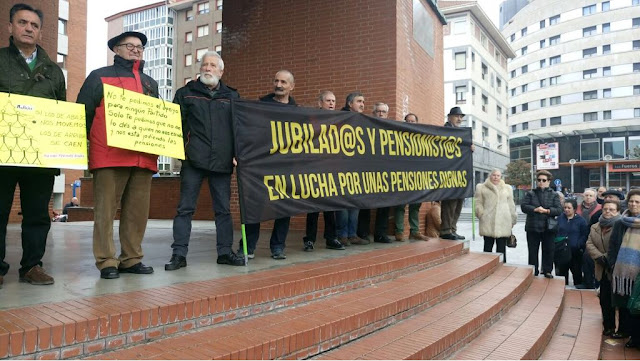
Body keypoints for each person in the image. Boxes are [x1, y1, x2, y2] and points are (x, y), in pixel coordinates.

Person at [77, 31, 158, 279]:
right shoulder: (99, 76)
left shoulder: (150, 83)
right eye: (129, 45)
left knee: (137, 212)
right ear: (116, 49)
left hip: (143, 156)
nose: (135, 49)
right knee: (105, 210)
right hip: (109, 155)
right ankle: (106, 261)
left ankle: (131, 258)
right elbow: (83, 114)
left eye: (140, 46)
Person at [0, 3, 66, 287]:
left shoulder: (54, 71)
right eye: (22, 22)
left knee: (38, 213)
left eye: (34, 25)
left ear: (40, 32)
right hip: (3, 151)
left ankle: (32, 266)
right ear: (10, 27)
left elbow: (61, 112)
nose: (28, 28)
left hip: (40, 154)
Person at [165, 52, 244, 271]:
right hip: (193, 161)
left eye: (212, 65)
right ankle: (178, 254)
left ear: (221, 71)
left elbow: (239, 129)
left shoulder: (232, 96)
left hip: (223, 161)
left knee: (223, 210)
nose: (207, 68)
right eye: (204, 65)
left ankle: (225, 252)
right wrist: (182, 151)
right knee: (185, 209)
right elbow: (174, 125)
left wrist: (239, 154)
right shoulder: (185, 94)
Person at [241, 70, 296, 260]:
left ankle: (278, 247)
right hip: (262, 166)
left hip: (286, 167)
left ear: (291, 86)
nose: (279, 85)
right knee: (255, 205)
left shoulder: (298, 112)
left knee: (284, 208)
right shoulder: (261, 106)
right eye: (276, 80)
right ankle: (248, 246)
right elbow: (250, 133)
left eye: (283, 82)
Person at [302, 91, 344, 252]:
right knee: (313, 209)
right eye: (328, 100)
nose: (331, 103)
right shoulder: (311, 119)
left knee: (330, 208)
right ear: (320, 103)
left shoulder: (340, 121)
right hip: (314, 170)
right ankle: (309, 240)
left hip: (332, 171)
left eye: (333, 101)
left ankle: (331, 238)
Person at [358, 102, 394, 244]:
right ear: (373, 113)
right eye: (378, 111)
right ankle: (362, 233)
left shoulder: (392, 129)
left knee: (384, 205)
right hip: (367, 171)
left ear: (387, 114)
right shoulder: (366, 126)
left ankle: (380, 234)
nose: (380, 114)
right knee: (365, 204)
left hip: (385, 172)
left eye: (383, 112)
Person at [608, 189, 640, 348]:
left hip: (638, 275)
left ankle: (636, 337)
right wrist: (614, 264)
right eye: (631, 201)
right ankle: (626, 332)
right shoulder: (620, 222)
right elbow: (613, 245)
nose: (633, 204)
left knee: (637, 307)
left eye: (637, 202)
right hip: (622, 274)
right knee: (624, 304)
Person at [336, 92, 368, 246]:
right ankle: (342, 235)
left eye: (363, 102)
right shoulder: (339, 118)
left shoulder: (364, 121)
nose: (362, 104)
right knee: (343, 204)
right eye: (359, 101)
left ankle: (352, 234)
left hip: (357, 170)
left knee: (355, 204)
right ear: (350, 104)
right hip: (342, 168)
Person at [586, 199, 621, 336]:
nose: (608, 212)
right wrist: (599, 257)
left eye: (612, 210)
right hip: (601, 267)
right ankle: (608, 326)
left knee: (618, 301)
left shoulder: (621, 226)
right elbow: (589, 243)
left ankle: (622, 329)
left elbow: (620, 245)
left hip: (617, 268)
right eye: (605, 209)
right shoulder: (595, 226)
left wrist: (608, 257)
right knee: (605, 299)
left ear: (618, 211)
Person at [394, 113, 429, 242]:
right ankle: (399, 231)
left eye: (413, 121)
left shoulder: (422, 139)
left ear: (417, 123)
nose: (410, 123)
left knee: (415, 206)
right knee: (400, 205)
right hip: (402, 176)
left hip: (417, 177)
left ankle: (414, 231)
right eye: (408, 121)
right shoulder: (398, 138)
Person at [521, 170, 563, 278]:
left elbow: (559, 210)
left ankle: (547, 270)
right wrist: (535, 209)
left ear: (549, 181)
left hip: (548, 227)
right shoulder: (531, 193)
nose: (541, 182)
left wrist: (547, 211)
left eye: (544, 180)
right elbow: (524, 207)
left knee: (549, 249)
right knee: (533, 250)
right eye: (539, 180)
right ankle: (533, 270)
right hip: (533, 226)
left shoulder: (554, 195)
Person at [440, 107, 473, 240]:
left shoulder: (461, 133)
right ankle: (446, 230)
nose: (459, 119)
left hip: (459, 174)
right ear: (449, 117)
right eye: (456, 116)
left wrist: (469, 148)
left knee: (459, 201)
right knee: (450, 203)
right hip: (449, 174)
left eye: (461, 117)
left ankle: (453, 228)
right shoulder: (445, 130)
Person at [475, 169, 517, 263]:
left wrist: (513, 219)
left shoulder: (507, 188)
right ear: (490, 176)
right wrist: (480, 213)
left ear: (501, 177)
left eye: (498, 175)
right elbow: (478, 202)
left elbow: (511, 204)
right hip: (487, 221)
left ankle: (502, 267)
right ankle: (485, 266)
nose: (496, 177)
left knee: (501, 248)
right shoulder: (481, 187)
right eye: (494, 175)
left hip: (503, 221)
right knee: (487, 247)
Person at [557, 199, 589, 285]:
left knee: (577, 273)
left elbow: (584, 235)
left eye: (569, 208)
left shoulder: (581, 221)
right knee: (561, 275)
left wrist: (578, 244)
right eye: (565, 207)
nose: (566, 210)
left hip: (575, 252)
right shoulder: (559, 218)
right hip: (561, 251)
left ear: (574, 209)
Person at [577, 188, 602, 289]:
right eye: (586, 195)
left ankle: (593, 282)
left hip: (593, 236)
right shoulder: (577, 207)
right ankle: (584, 280)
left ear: (595, 197)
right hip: (579, 235)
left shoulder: (600, 208)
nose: (588, 197)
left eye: (590, 196)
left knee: (590, 259)